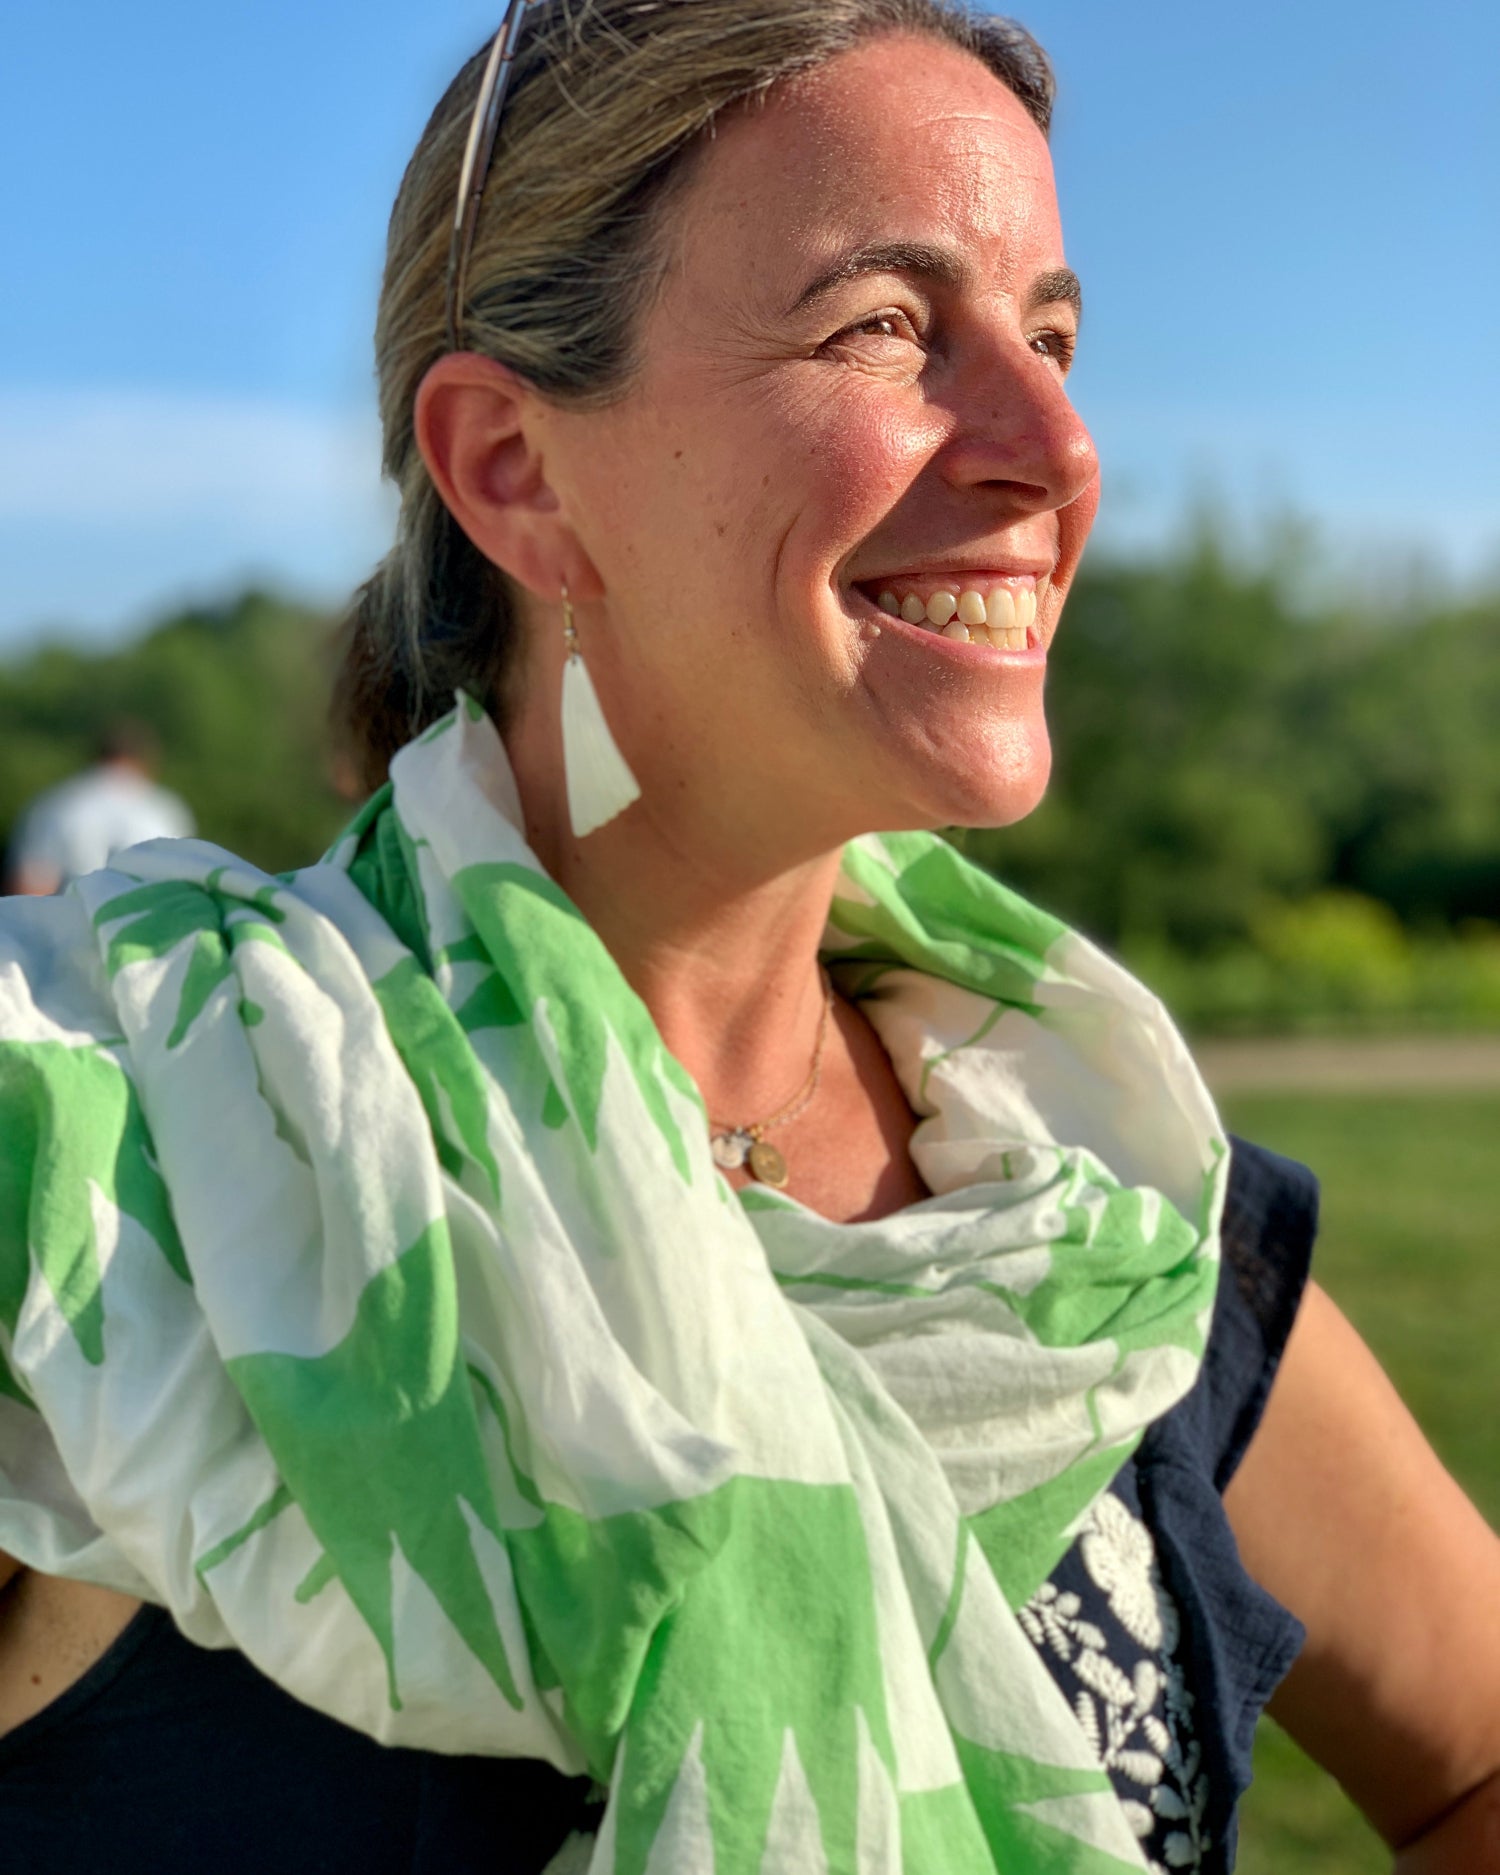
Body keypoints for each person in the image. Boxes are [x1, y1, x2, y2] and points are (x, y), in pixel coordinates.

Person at [0, 4, 1496, 1871]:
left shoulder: (1116, 1219)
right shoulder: (126, 1176)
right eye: (884, 323)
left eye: (1050, 334)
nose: (1057, 446)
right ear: (517, 467)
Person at [3, 719, 195, 897]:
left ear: (96, 755)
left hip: (72, 926)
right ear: (146, 760)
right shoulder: (167, 809)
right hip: (149, 926)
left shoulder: (57, 804)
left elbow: (31, 887)